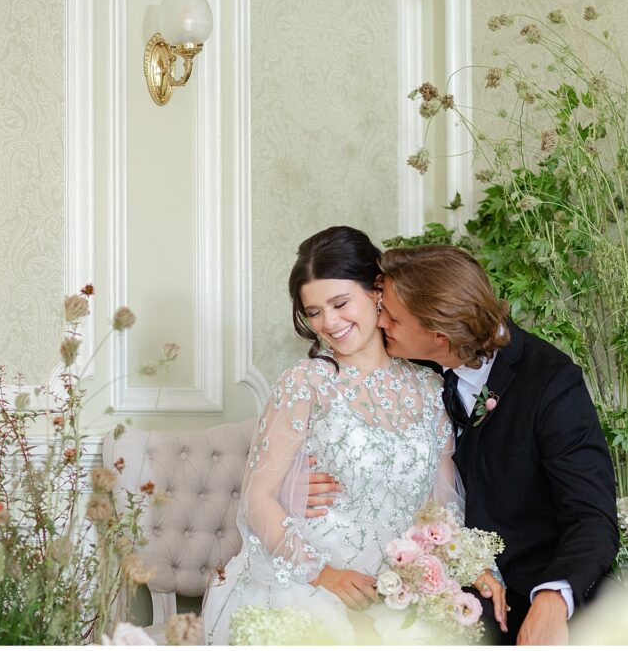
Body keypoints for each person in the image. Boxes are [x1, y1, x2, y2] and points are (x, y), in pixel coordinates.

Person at [200, 227, 503, 645]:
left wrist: (467, 566)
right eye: (314, 312)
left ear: (377, 292)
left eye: (340, 303)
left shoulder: (430, 387)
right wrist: (323, 574)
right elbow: (257, 498)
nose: (330, 323)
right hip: (308, 582)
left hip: (394, 589)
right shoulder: (305, 383)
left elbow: (442, 504)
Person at [362, 244, 619, 645]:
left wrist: (552, 597)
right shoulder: (409, 364)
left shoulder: (552, 383)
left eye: (391, 317)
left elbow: (591, 516)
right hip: (439, 578)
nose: (380, 323)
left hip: (528, 588)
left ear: (439, 335)